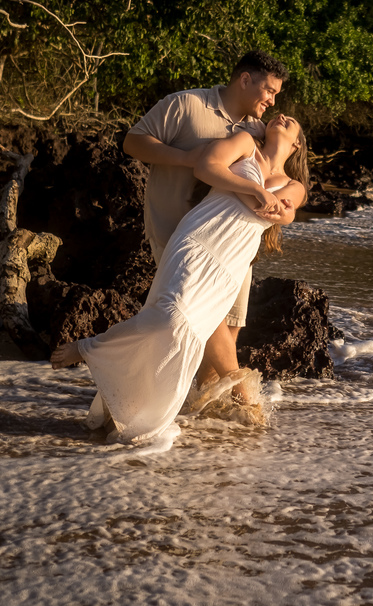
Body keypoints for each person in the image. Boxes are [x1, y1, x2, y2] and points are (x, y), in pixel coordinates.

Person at [51, 115, 309, 444]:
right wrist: (257, 190)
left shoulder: (295, 183)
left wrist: (263, 199)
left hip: (231, 261)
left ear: (297, 144)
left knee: (185, 333)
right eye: (279, 113)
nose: (282, 116)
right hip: (200, 237)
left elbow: (285, 213)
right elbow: (206, 168)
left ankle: (133, 410)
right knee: (167, 315)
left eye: (291, 123)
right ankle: (88, 348)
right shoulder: (245, 145)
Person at [122, 51, 290, 403]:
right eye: (269, 91)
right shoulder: (187, 104)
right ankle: (245, 400)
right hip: (176, 231)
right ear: (245, 80)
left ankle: (204, 406)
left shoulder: (254, 130)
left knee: (229, 324)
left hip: (230, 243)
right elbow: (133, 142)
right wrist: (185, 157)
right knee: (205, 316)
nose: (273, 101)